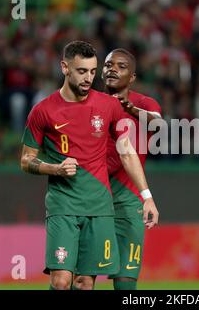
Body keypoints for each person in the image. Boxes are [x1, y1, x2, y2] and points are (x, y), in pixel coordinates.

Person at [20, 41, 158, 290]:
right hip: (63, 205)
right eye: (82, 71)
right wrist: (55, 169)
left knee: (85, 283)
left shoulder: (108, 106)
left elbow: (127, 152)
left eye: (93, 72)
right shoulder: (43, 111)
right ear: (64, 67)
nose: (89, 78)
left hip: (98, 206)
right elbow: (26, 160)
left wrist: (147, 197)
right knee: (61, 281)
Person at [98, 48, 162, 290]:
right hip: (94, 197)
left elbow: (158, 123)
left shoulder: (144, 103)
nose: (113, 68)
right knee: (80, 278)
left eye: (121, 66)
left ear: (132, 77)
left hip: (129, 200)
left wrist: (132, 111)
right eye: (108, 64)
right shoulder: (90, 102)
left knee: (125, 280)